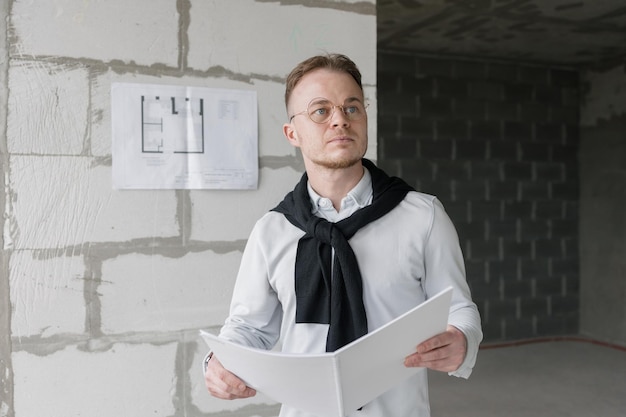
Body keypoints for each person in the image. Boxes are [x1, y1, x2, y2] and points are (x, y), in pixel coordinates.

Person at [204, 53, 483, 417]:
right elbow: (246, 327)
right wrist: (218, 362)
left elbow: (458, 308)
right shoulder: (273, 230)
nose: (340, 120)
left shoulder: (422, 216)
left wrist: (461, 339)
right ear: (293, 133)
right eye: (320, 111)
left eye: (352, 108)